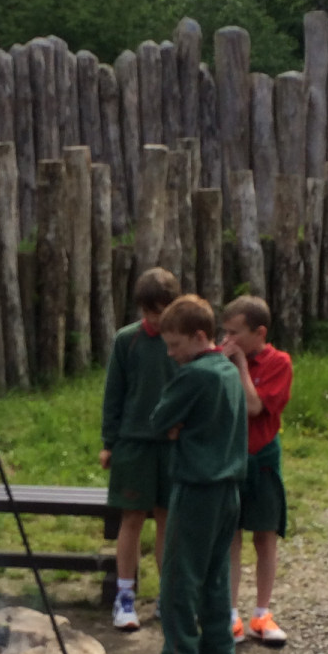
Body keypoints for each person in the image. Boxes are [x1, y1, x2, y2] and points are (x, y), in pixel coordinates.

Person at [141, 294, 247, 654]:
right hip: (229, 488)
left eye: (175, 345)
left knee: (179, 576)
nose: (170, 354)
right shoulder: (228, 371)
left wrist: (174, 428)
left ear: (200, 336)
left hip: (197, 486)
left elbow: (158, 420)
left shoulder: (195, 375)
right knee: (215, 572)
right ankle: (219, 649)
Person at [100, 267, 181, 631]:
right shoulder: (126, 340)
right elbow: (113, 394)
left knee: (167, 520)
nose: (155, 319)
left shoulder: (182, 341)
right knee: (131, 519)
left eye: (160, 311)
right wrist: (109, 442)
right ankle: (125, 596)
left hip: (172, 445)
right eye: (149, 312)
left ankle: (167, 596)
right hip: (133, 445)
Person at [220, 295, 292, 647]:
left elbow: (253, 406)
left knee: (264, 537)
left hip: (262, 458)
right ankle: (230, 613)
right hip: (229, 458)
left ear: (259, 332)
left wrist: (240, 366)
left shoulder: (279, 363)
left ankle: (262, 613)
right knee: (230, 536)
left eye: (235, 332)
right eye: (225, 332)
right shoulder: (221, 361)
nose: (228, 339)